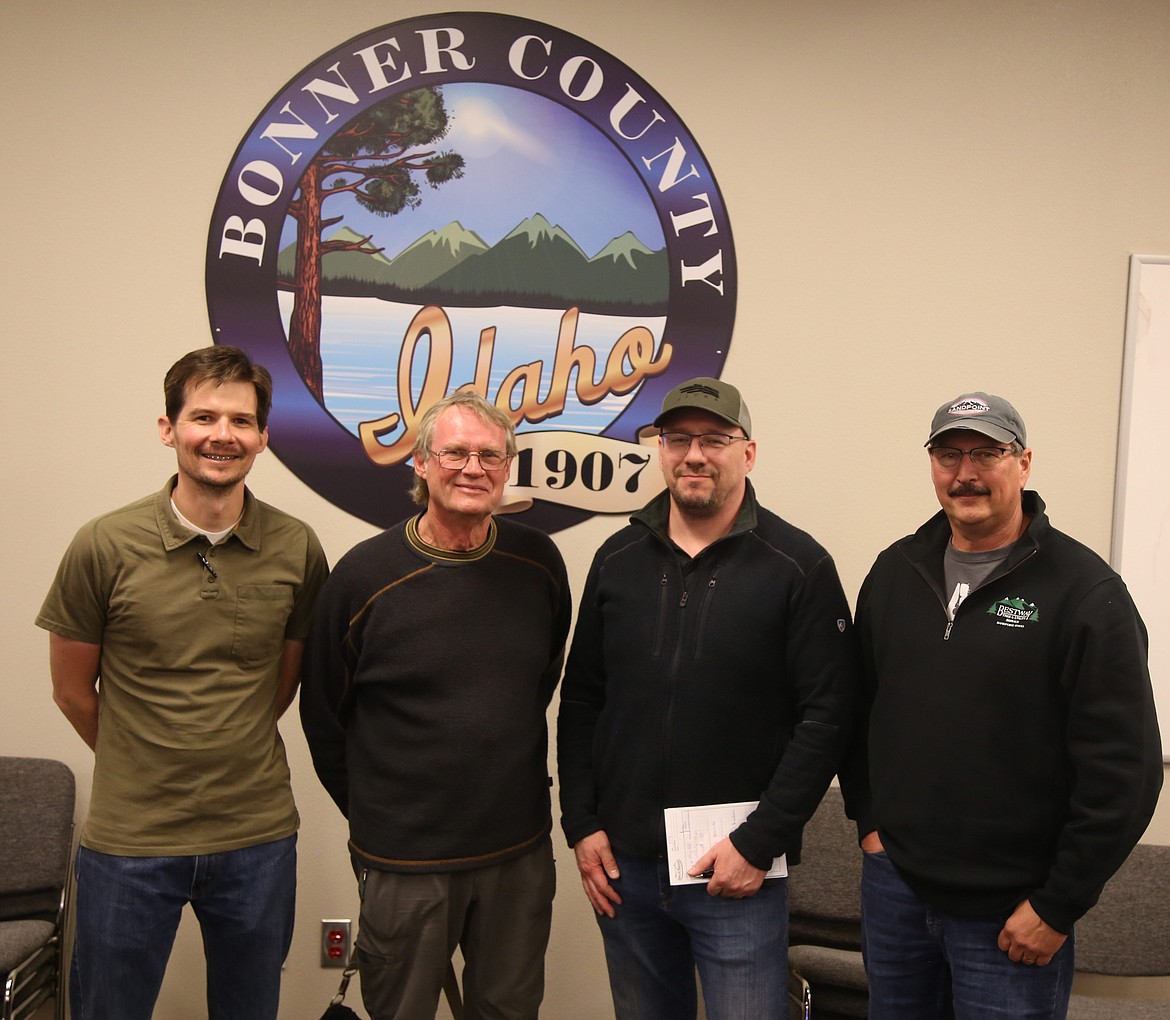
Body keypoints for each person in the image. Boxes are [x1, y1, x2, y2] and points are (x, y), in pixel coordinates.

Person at [841, 391, 1163, 1019]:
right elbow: (856, 712)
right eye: (948, 454)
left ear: (1024, 463)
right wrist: (870, 824)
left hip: (1013, 915)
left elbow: (1126, 773)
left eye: (987, 452)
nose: (966, 472)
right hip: (896, 889)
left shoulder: (1085, 593)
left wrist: (1057, 905)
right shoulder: (894, 572)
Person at [36, 345, 329, 1020]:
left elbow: (280, 685)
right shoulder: (103, 545)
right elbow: (72, 691)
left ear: (262, 436)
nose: (222, 435)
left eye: (240, 420)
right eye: (203, 416)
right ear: (169, 428)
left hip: (256, 836)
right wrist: (146, 758)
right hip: (130, 840)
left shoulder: (296, 546)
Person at [557, 376, 858, 1020]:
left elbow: (828, 717)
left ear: (747, 453)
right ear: (660, 451)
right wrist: (581, 823)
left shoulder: (798, 566)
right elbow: (583, 698)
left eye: (714, 439)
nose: (694, 454)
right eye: (678, 439)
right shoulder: (617, 560)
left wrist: (760, 841)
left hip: (735, 870)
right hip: (626, 867)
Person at [300, 389, 571, 1020]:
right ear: (420, 464)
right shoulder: (364, 578)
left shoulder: (538, 563)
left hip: (518, 851)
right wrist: (380, 813)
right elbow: (323, 717)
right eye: (454, 452)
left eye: (490, 455)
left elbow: (538, 681)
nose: (473, 468)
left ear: (508, 467)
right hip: (404, 859)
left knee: (509, 1010)